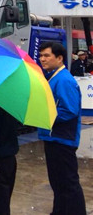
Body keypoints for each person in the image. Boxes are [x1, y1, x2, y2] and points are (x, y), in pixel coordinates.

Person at [37, 41, 86, 215]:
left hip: (62, 139)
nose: (42, 59)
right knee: (58, 183)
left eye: (46, 55)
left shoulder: (63, 80)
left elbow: (69, 110)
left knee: (68, 183)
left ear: (59, 58)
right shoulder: (53, 77)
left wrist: (44, 116)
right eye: (41, 55)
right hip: (53, 137)